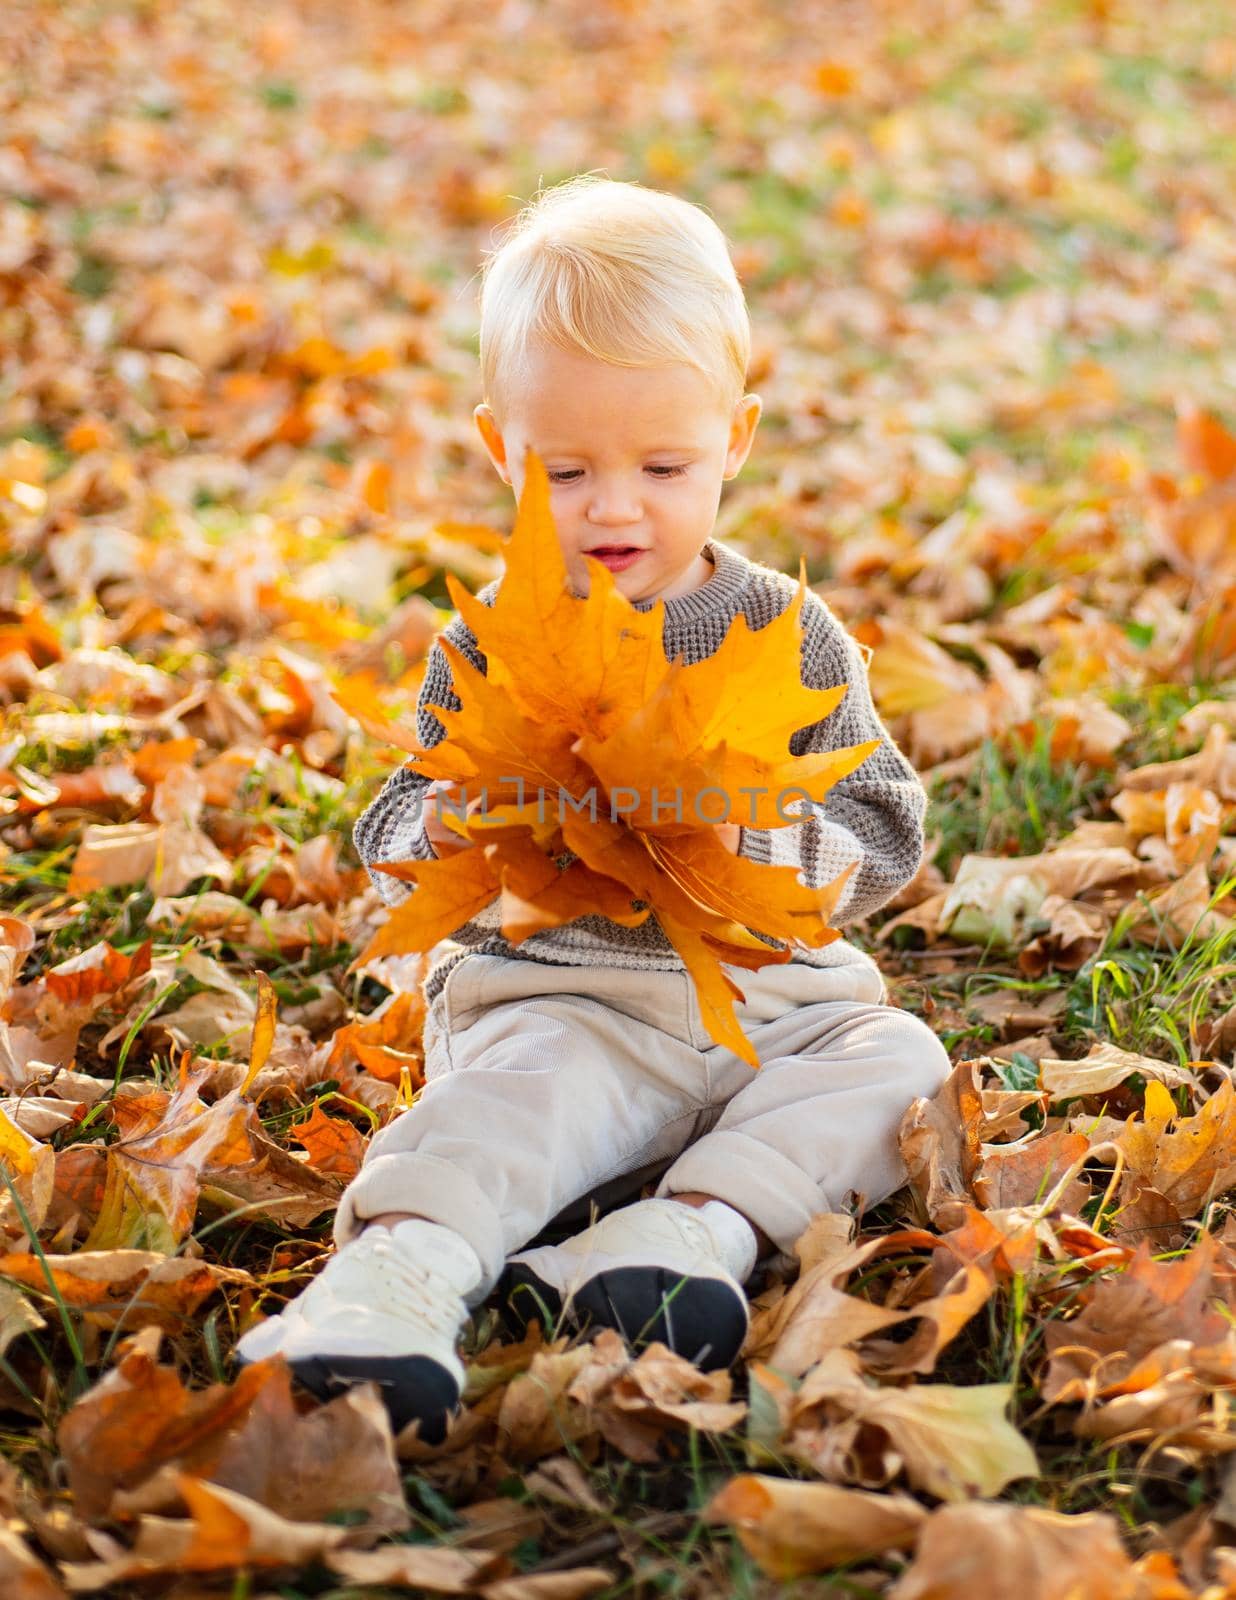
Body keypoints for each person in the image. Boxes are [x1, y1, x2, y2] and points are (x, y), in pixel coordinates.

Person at [236, 175, 951, 1441]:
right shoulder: (493, 643)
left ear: (736, 438)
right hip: (564, 1000)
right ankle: (392, 1283)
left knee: (896, 1061)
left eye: (662, 464)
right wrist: (468, 830)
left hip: (771, 1002)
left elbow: (885, 823)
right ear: (501, 451)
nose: (615, 505)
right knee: (514, 1104)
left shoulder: (783, 630)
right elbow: (399, 820)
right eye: (566, 469)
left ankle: (689, 1232)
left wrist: (762, 846)